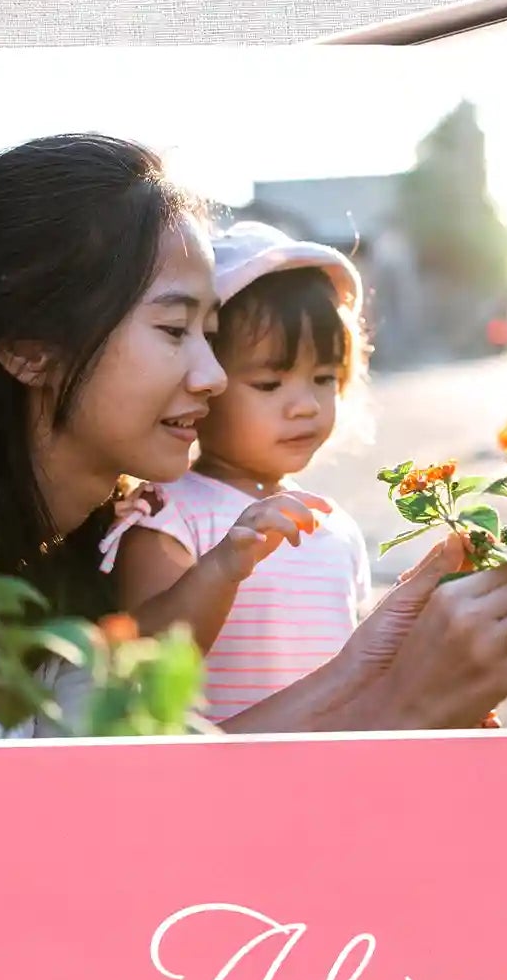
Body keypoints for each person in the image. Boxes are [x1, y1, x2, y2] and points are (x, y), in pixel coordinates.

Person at [0, 134, 507, 743]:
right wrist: (400, 708)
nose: (211, 376)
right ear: (28, 347)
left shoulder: (58, 547)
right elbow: (54, 874)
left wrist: (371, 664)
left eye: (213, 333)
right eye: (175, 330)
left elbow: (147, 781)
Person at [100, 222, 371, 721]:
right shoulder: (169, 511)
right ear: (203, 384)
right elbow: (144, 659)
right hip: (214, 788)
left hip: (326, 783)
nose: (305, 405)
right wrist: (222, 568)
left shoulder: (337, 526)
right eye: (270, 383)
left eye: (324, 378)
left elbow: (356, 672)